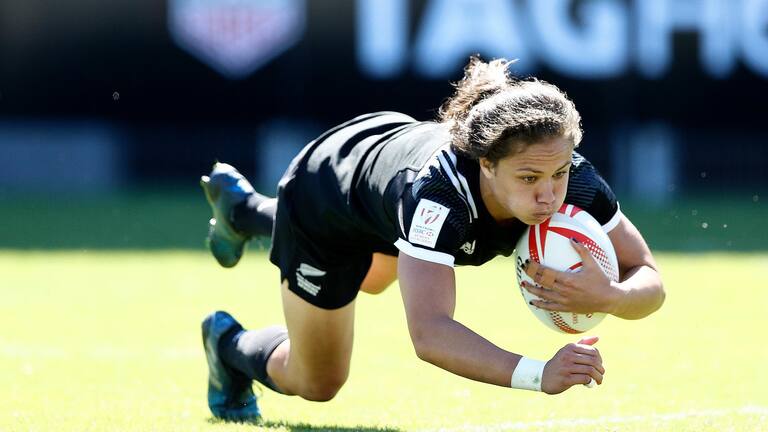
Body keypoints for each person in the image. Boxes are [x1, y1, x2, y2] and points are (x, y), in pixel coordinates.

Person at [198, 57, 665, 422]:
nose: (548, 194)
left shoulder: (575, 180)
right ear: (486, 164)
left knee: (376, 278)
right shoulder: (439, 200)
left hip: (387, 183)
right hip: (329, 192)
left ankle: (242, 211)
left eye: (559, 172)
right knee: (317, 381)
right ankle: (227, 347)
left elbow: (649, 276)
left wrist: (615, 294)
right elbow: (430, 333)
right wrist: (538, 373)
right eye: (528, 178)